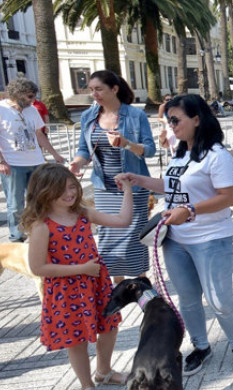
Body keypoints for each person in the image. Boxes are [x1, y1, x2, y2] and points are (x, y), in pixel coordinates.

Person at [116, 94, 233, 374]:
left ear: (197, 119)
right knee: (188, 299)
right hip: (176, 241)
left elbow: (228, 197)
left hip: (210, 239)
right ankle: (201, 346)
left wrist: (190, 211)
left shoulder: (216, 155)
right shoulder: (179, 153)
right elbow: (172, 187)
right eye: (169, 120)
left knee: (220, 300)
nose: (171, 126)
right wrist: (139, 180)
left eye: (176, 120)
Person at [23, 164, 133, 390]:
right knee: (76, 339)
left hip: (95, 282)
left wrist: (127, 190)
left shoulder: (83, 213)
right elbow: (38, 267)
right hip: (67, 291)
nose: (70, 193)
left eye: (72, 186)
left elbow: (123, 220)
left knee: (109, 326)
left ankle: (104, 371)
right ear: (44, 192)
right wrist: (80, 269)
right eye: (61, 190)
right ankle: (86, 386)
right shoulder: (41, 226)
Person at [69, 70, 155, 281]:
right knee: (109, 236)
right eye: (91, 90)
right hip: (103, 186)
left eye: (99, 89)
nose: (94, 94)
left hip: (133, 185)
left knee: (134, 236)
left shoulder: (136, 115)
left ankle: (140, 281)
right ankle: (116, 283)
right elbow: (83, 149)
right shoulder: (89, 116)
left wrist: (127, 144)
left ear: (114, 89)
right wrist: (77, 163)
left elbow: (150, 150)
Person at [0, 78, 65, 242]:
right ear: (17, 94)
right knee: (15, 203)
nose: (33, 100)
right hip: (13, 163)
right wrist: (0, 160)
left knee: (39, 199)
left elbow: (39, 135)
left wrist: (55, 154)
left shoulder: (31, 110)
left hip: (36, 162)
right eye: (30, 96)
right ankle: (16, 236)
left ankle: (39, 233)